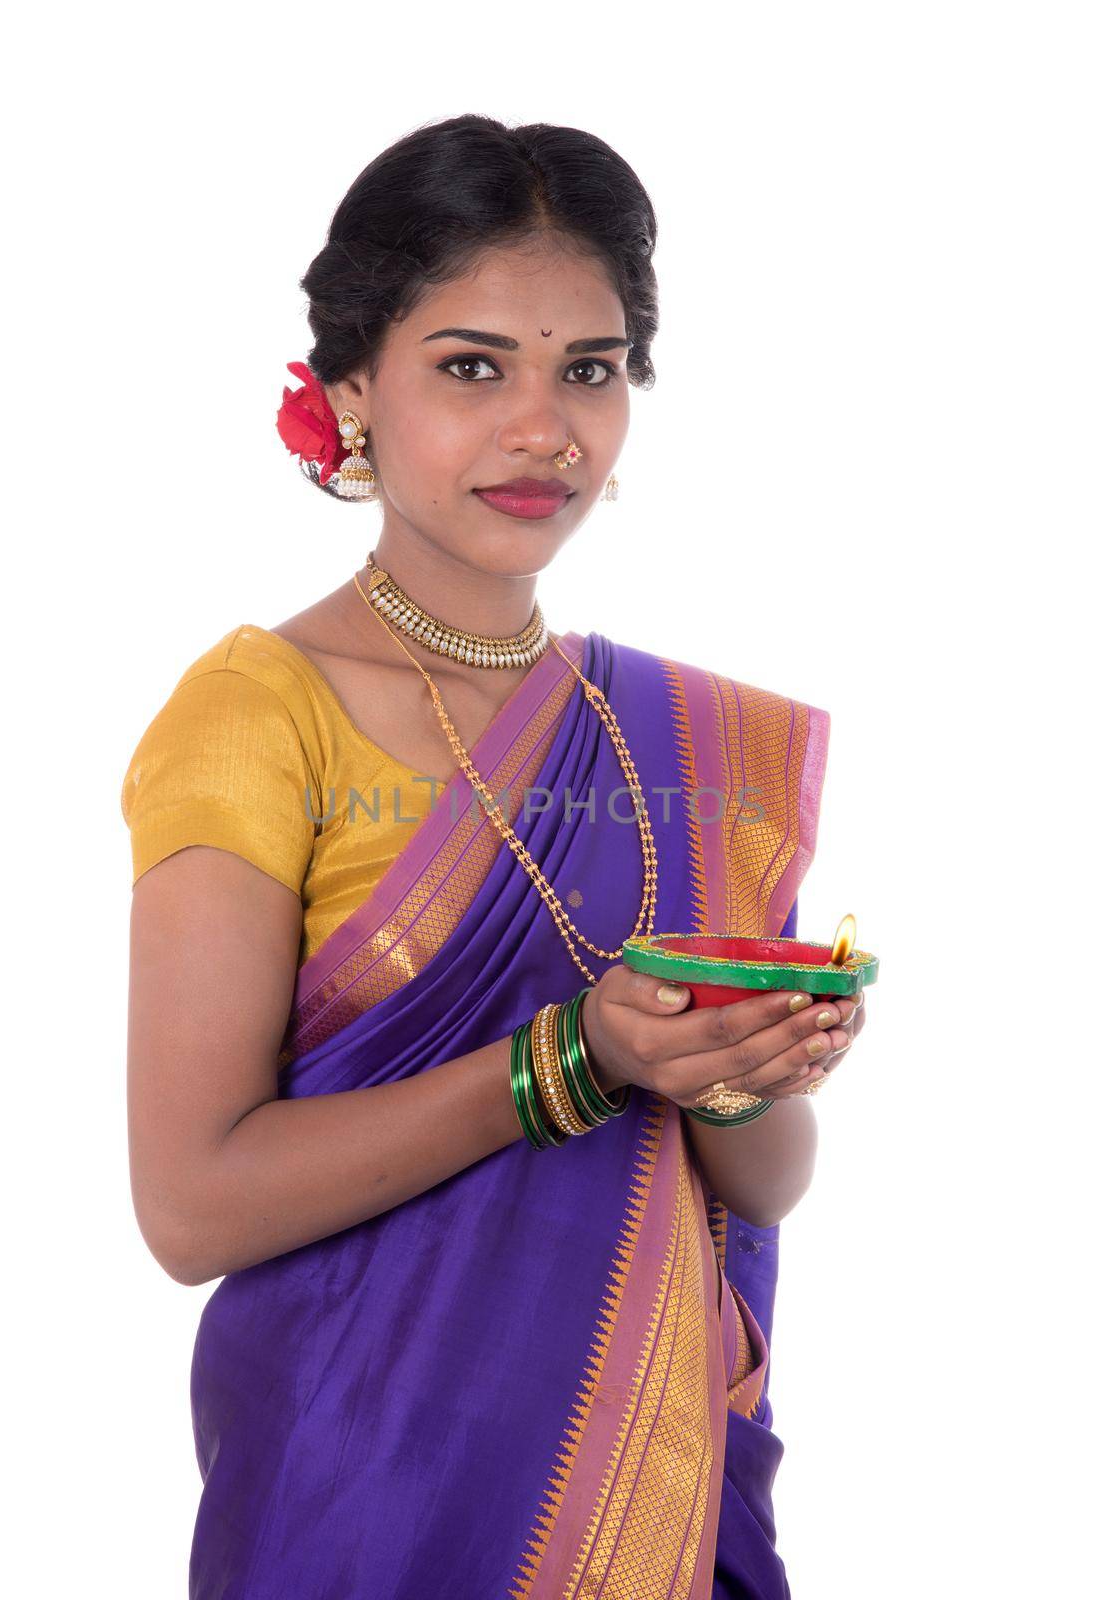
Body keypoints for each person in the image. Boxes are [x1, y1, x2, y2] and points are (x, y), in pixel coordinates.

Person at [120, 113, 867, 1600]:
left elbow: (763, 1187)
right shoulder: (259, 715)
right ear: (350, 393)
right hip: (360, 1497)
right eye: (473, 367)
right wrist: (573, 1061)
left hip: (649, 1492)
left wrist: (743, 1059)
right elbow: (192, 1205)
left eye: (588, 369)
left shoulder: (689, 745)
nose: (546, 428)